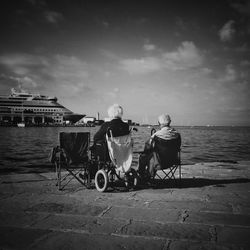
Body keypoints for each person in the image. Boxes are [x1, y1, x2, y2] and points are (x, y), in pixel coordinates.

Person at [138, 114, 181, 179]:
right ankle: (147, 175)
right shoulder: (177, 135)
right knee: (153, 155)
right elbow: (178, 147)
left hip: (159, 163)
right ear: (170, 122)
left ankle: (142, 176)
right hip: (173, 161)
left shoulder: (156, 135)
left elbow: (147, 148)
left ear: (159, 123)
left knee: (143, 157)